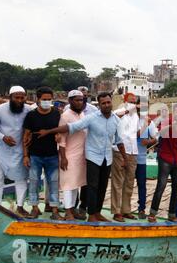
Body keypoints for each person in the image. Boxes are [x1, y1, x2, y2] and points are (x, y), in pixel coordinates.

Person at [37, 92, 127, 222]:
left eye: (108, 102)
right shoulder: (91, 118)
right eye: (103, 103)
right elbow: (70, 127)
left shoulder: (116, 120)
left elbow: (119, 141)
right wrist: (49, 132)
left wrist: (124, 158)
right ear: (99, 105)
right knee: (92, 187)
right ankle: (91, 215)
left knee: (102, 187)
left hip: (107, 157)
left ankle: (97, 212)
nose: (106, 105)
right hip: (92, 157)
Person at [0, 86, 30, 216]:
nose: (20, 100)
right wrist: (3, 137)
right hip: (1, 151)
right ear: (10, 97)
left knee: (21, 179)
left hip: (20, 151)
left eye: (22, 98)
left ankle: (20, 207)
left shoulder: (28, 110)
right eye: (17, 97)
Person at [23, 86, 63, 220]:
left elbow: (60, 130)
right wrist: (25, 155)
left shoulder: (57, 113)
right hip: (35, 155)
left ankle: (55, 210)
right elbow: (26, 136)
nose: (47, 102)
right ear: (38, 99)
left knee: (54, 183)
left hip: (52, 155)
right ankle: (34, 208)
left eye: (49, 99)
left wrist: (58, 135)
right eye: (44, 99)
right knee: (34, 182)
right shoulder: (31, 115)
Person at [148, 105, 177, 223]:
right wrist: (172, 126)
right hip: (165, 158)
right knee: (161, 185)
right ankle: (152, 213)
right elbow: (160, 133)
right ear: (173, 113)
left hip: (176, 160)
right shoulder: (167, 122)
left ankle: (171, 214)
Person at [58, 90, 88, 221]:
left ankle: (72, 209)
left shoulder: (82, 115)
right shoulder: (65, 116)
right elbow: (62, 139)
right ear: (70, 101)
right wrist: (63, 158)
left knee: (76, 184)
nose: (79, 102)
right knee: (68, 185)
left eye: (81, 100)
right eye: (76, 100)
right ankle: (67, 211)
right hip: (69, 156)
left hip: (81, 156)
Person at [111, 93, 140, 222]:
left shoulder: (137, 116)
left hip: (133, 151)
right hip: (119, 150)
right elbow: (114, 116)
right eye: (131, 101)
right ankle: (116, 211)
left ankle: (126, 210)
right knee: (118, 182)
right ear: (125, 101)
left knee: (129, 182)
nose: (134, 103)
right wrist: (128, 109)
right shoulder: (119, 111)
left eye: (135, 102)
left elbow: (137, 132)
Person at [136, 99, 158, 220]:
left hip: (142, 158)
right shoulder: (132, 120)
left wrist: (148, 142)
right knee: (126, 185)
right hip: (129, 157)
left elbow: (155, 138)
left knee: (142, 184)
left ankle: (141, 209)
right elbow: (132, 135)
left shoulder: (150, 123)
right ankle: (124, 209)